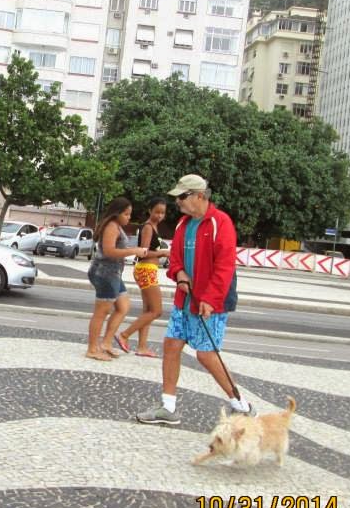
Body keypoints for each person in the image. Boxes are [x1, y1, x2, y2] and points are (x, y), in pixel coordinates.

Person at [135, 174, 251, 425]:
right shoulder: (183, 225)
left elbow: (225, 266)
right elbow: (174, 258)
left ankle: (240, 405)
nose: (178, 202)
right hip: (184, 300)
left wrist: (209, 298)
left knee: (206, 355)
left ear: (200, 195)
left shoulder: (221, 223)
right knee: (171, 345)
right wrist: (179, 275)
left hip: (213, 302)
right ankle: (168, 407)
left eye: (182, 196)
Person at [85, 197, 148, 361]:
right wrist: (133, 250)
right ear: (117, 213)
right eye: (126, 214)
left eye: (130, 214)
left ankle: (106, 343)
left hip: (113, 273)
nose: (129, 217)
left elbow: (116, 249)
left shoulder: (117, 226)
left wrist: (130, 250)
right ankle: (92, 348)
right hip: (105, 273)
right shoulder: (111, 227)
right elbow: (109, 251)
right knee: (101, 312)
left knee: (123, 306)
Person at [115, 197, 170, 358]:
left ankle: (142, 346)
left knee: (148, 310)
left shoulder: (153, 227)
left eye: (163, 213)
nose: (160, 215)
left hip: (149, 269)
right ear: (150, 210)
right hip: (146, 268)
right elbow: (144, 252)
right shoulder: (148, 227)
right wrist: (163, 252)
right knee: (157, 310)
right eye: (157, 212)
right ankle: (124, 335)